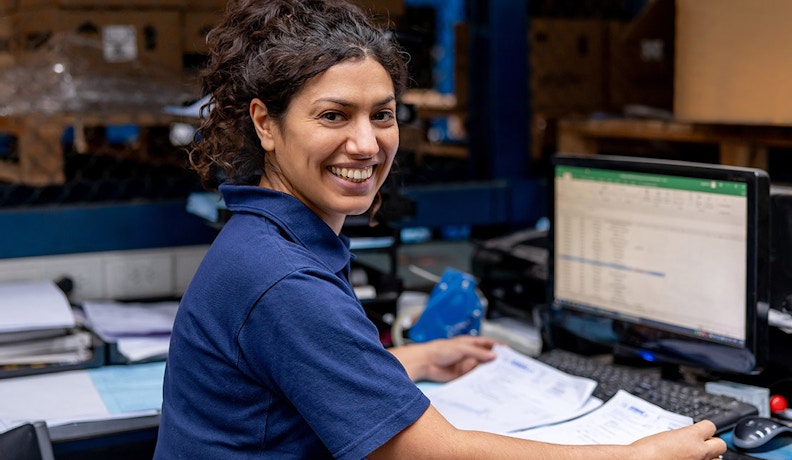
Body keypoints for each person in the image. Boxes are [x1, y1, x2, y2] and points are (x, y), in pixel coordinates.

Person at [154, 1, 727, 459]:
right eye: (333, 115)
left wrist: (417, 360)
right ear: (266, 125)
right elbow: (431, 452)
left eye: (382, 114)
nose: (366, 142)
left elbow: (305, 372)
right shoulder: (282, 280)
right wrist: (636, 457)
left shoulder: (264, 236)